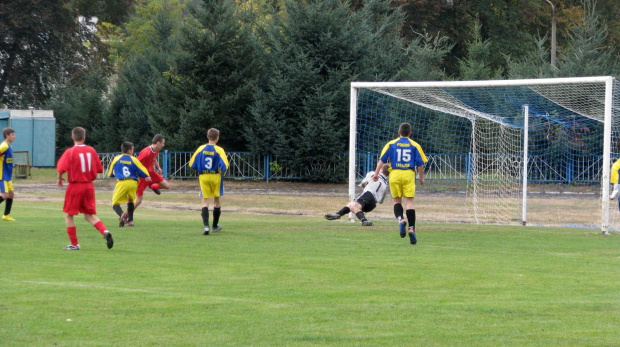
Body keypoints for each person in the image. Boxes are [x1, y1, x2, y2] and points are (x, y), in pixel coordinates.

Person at [57, 127, 113, 250]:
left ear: (72, 138)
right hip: (89, 186)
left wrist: (60, 177)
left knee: (69, 215)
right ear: (84, 137)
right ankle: (105, 231)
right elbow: (99, 169)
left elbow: (61, 168)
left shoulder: (70, 152)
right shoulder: (91, 150)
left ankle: (74, 244)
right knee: (89, 215)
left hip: (75, 186)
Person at [373, 122, 427, 245]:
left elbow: (381, 161)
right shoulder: (415, 145)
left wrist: (376, 174)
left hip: (395, 175)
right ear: (410, 133)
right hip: (408, 174)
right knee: (409, 202)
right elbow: (420, 164)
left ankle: (401, 220)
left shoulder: (391, 144)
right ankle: (411, 228)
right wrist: (421, 178)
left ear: (399, 132)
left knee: (397, 201)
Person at [189, 128, 229, 235]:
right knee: (217, 200)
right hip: (216, 176)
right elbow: (225, 166)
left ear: (208, 137)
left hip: (204, 176)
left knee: (205, 200)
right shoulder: (219, 150)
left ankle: (206, 226)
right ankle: (215, 226)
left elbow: (191, 164)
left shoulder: (201, 148)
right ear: (217, 138)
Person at [325, 164, 390, 226]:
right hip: (373, 204)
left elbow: (363, 183)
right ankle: (338, 214)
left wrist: (367, 185)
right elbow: (381, 201)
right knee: (351, 204)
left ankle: (364, 221)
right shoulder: (386, 185)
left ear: (381, 170)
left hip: (368, 194)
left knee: (354, 206)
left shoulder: (372, 174)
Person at [107, 142, 151, 227]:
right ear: (130, 150)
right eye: (133, 149)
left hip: (122, 182)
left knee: (115, 203)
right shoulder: (134, 159)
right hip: (133, 183)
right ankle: (130, 221)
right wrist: (146, 176)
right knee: (130, 201)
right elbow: (142, 170)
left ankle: (122, 214)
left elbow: (110, 173)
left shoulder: (116, 159)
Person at [134, 134, 171, 211]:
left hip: (151, 173)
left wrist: (159, 168)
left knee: (167, 186)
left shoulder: (156, 150)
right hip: (143, 176)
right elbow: (136, 163)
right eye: (163, 143)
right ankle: (126, 215)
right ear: (158, 143)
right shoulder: (146, 152)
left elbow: (154, 158)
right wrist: (139, 175)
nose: (163, 145)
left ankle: (153, 186)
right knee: (138, 201)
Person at [0, 127, 16, 221]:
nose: (14, 136)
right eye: (12, 135)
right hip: (2, 175)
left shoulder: (9, 146)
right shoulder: (4, 146)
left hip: (8, 176)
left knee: (11, 194)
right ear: (7, 136)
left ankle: (6, 215)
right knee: (4, 195)